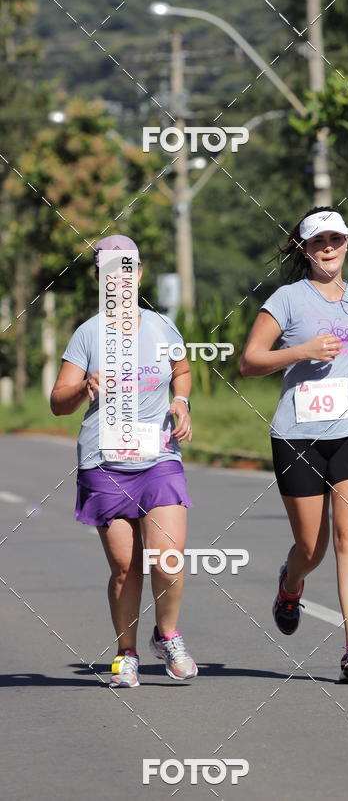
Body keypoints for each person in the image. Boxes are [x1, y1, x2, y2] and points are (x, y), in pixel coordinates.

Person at [240, 207, 348, 682]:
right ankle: (291, 583)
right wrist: (301, 351)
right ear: (305, 249)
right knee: (312, 545)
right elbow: (250, 362)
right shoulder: (285, 299)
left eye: (336, 239)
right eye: (319, 241)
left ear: (347, 243)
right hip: (298, 433)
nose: (329, 248)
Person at [50, 235, 197, 688]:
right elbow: (58, 402)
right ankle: (126, 654)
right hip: (105, 460)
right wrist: (83, 387)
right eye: (111, 268)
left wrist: (181, 401)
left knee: (168, 559)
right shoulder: (89, 333)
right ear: (101, 277)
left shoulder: (160, 326)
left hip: (158, 455)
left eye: (128, 266)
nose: (121, 276)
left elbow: (183, 370)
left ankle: (167, 636)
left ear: (138, 272)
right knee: (125, 567)